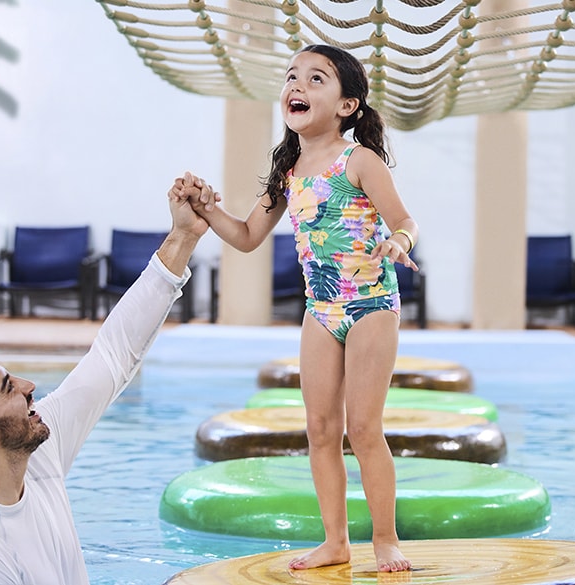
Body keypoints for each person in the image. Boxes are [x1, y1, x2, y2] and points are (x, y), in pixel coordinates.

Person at [171, 44, 418, 573]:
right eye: (292, 77)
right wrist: (205, 207)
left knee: (364, 428)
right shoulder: (288, 168)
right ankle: (335, 541)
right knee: (321, 429)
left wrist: (398, 241)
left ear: (347, 105)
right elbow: (245, 236)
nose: (297, 86)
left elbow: (405, 221)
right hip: (321, 309)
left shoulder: (360, 160)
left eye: (316, 79)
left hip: (371, 303)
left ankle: (385, 538)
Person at [0, 193, 209, 584]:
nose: (30, 388)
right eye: (9, 388)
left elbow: (114, 354)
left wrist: (182, 237)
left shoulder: (35, 455)